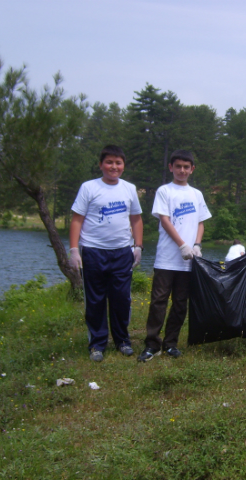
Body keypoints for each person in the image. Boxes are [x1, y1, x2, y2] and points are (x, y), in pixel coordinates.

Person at [69, 145, 143, 362]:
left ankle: (122, 340)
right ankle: (97, 344)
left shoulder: (129, 188)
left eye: (118, 163)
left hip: (121, 252)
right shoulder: (89, 188)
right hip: (93, 252)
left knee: (121, 299)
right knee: (95, 300)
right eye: (109, 162)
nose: (114, 167)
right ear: (101, 164)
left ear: (123, 165)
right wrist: (74, 249)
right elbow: (77, 220)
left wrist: (138, 246)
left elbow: (136, 218)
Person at [138, 150, 212, 362]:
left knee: (181, 303)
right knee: (158, 301)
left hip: (189, 262)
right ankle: (152, 344)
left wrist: (196, 245)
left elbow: (201, 222)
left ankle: (171, 343)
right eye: (178, 166)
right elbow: (165, 220)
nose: (182, 170)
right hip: (167, 259)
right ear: (171, 167)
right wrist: (182, 245)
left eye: (186, 167)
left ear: (192, 169)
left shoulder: (196, 194)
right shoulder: (164, 191)